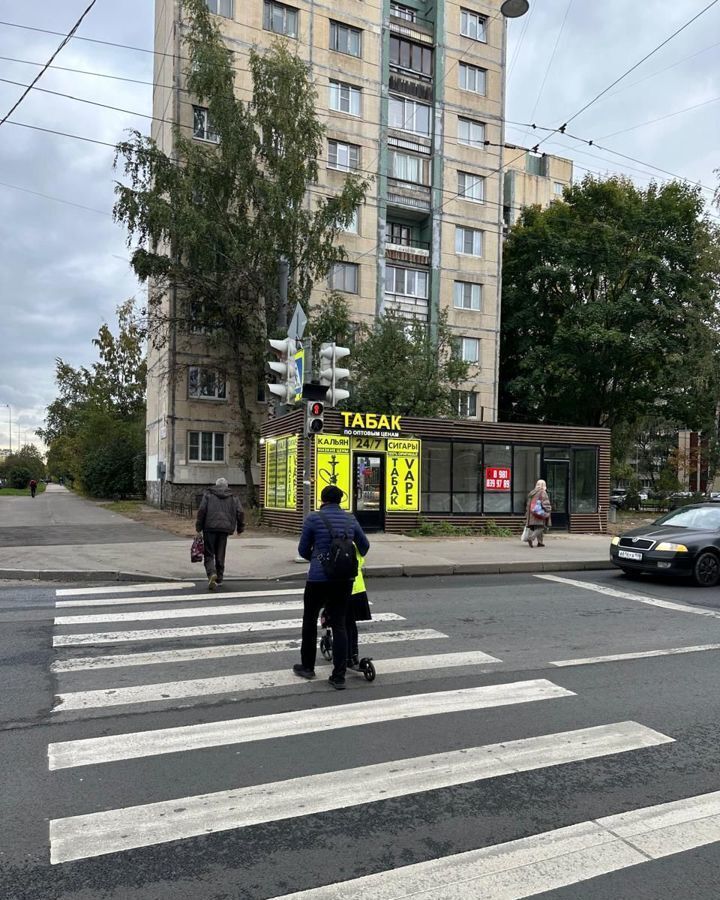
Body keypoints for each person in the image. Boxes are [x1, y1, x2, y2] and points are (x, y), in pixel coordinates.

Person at [294, 485, 370, 690]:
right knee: (340, 624)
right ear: (339, 500)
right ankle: (338, 676)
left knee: (309, 620)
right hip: (343, 580)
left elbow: (302, 550)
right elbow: (364, 546)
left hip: (318, 579)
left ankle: (307, 667)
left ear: (322, 499)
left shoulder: (313, 518)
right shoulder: (351, 519)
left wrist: (318, 560)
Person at [195, 477, 245, 590]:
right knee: (220, 553)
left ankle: (212, 573)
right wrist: (240, 528)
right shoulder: (233, 496)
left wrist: (199, 527)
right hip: (225, 529)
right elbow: (240, 512)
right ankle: (220, 578)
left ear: (216, 484)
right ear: (226, 486)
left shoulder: (208, 494)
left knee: (209, 553)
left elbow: (202, 510)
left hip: (209, 528)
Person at [347, 546, 372, 670]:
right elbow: (365, 546)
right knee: (351, 623)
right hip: (357, 586)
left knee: (342, 624)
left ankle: (346, 657)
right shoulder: (354, 534)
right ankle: (353, 654)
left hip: (336, 585)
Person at [525, 478, 552, 548]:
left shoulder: (533, 492)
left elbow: (528, 504)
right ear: (544, 485)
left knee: (538, 527)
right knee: (541, 527)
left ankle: (540, 543)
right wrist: (548, 510)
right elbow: (545, 502)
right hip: (540, 513)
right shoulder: (542, 492)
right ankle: (531, 538)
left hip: (532, 514)